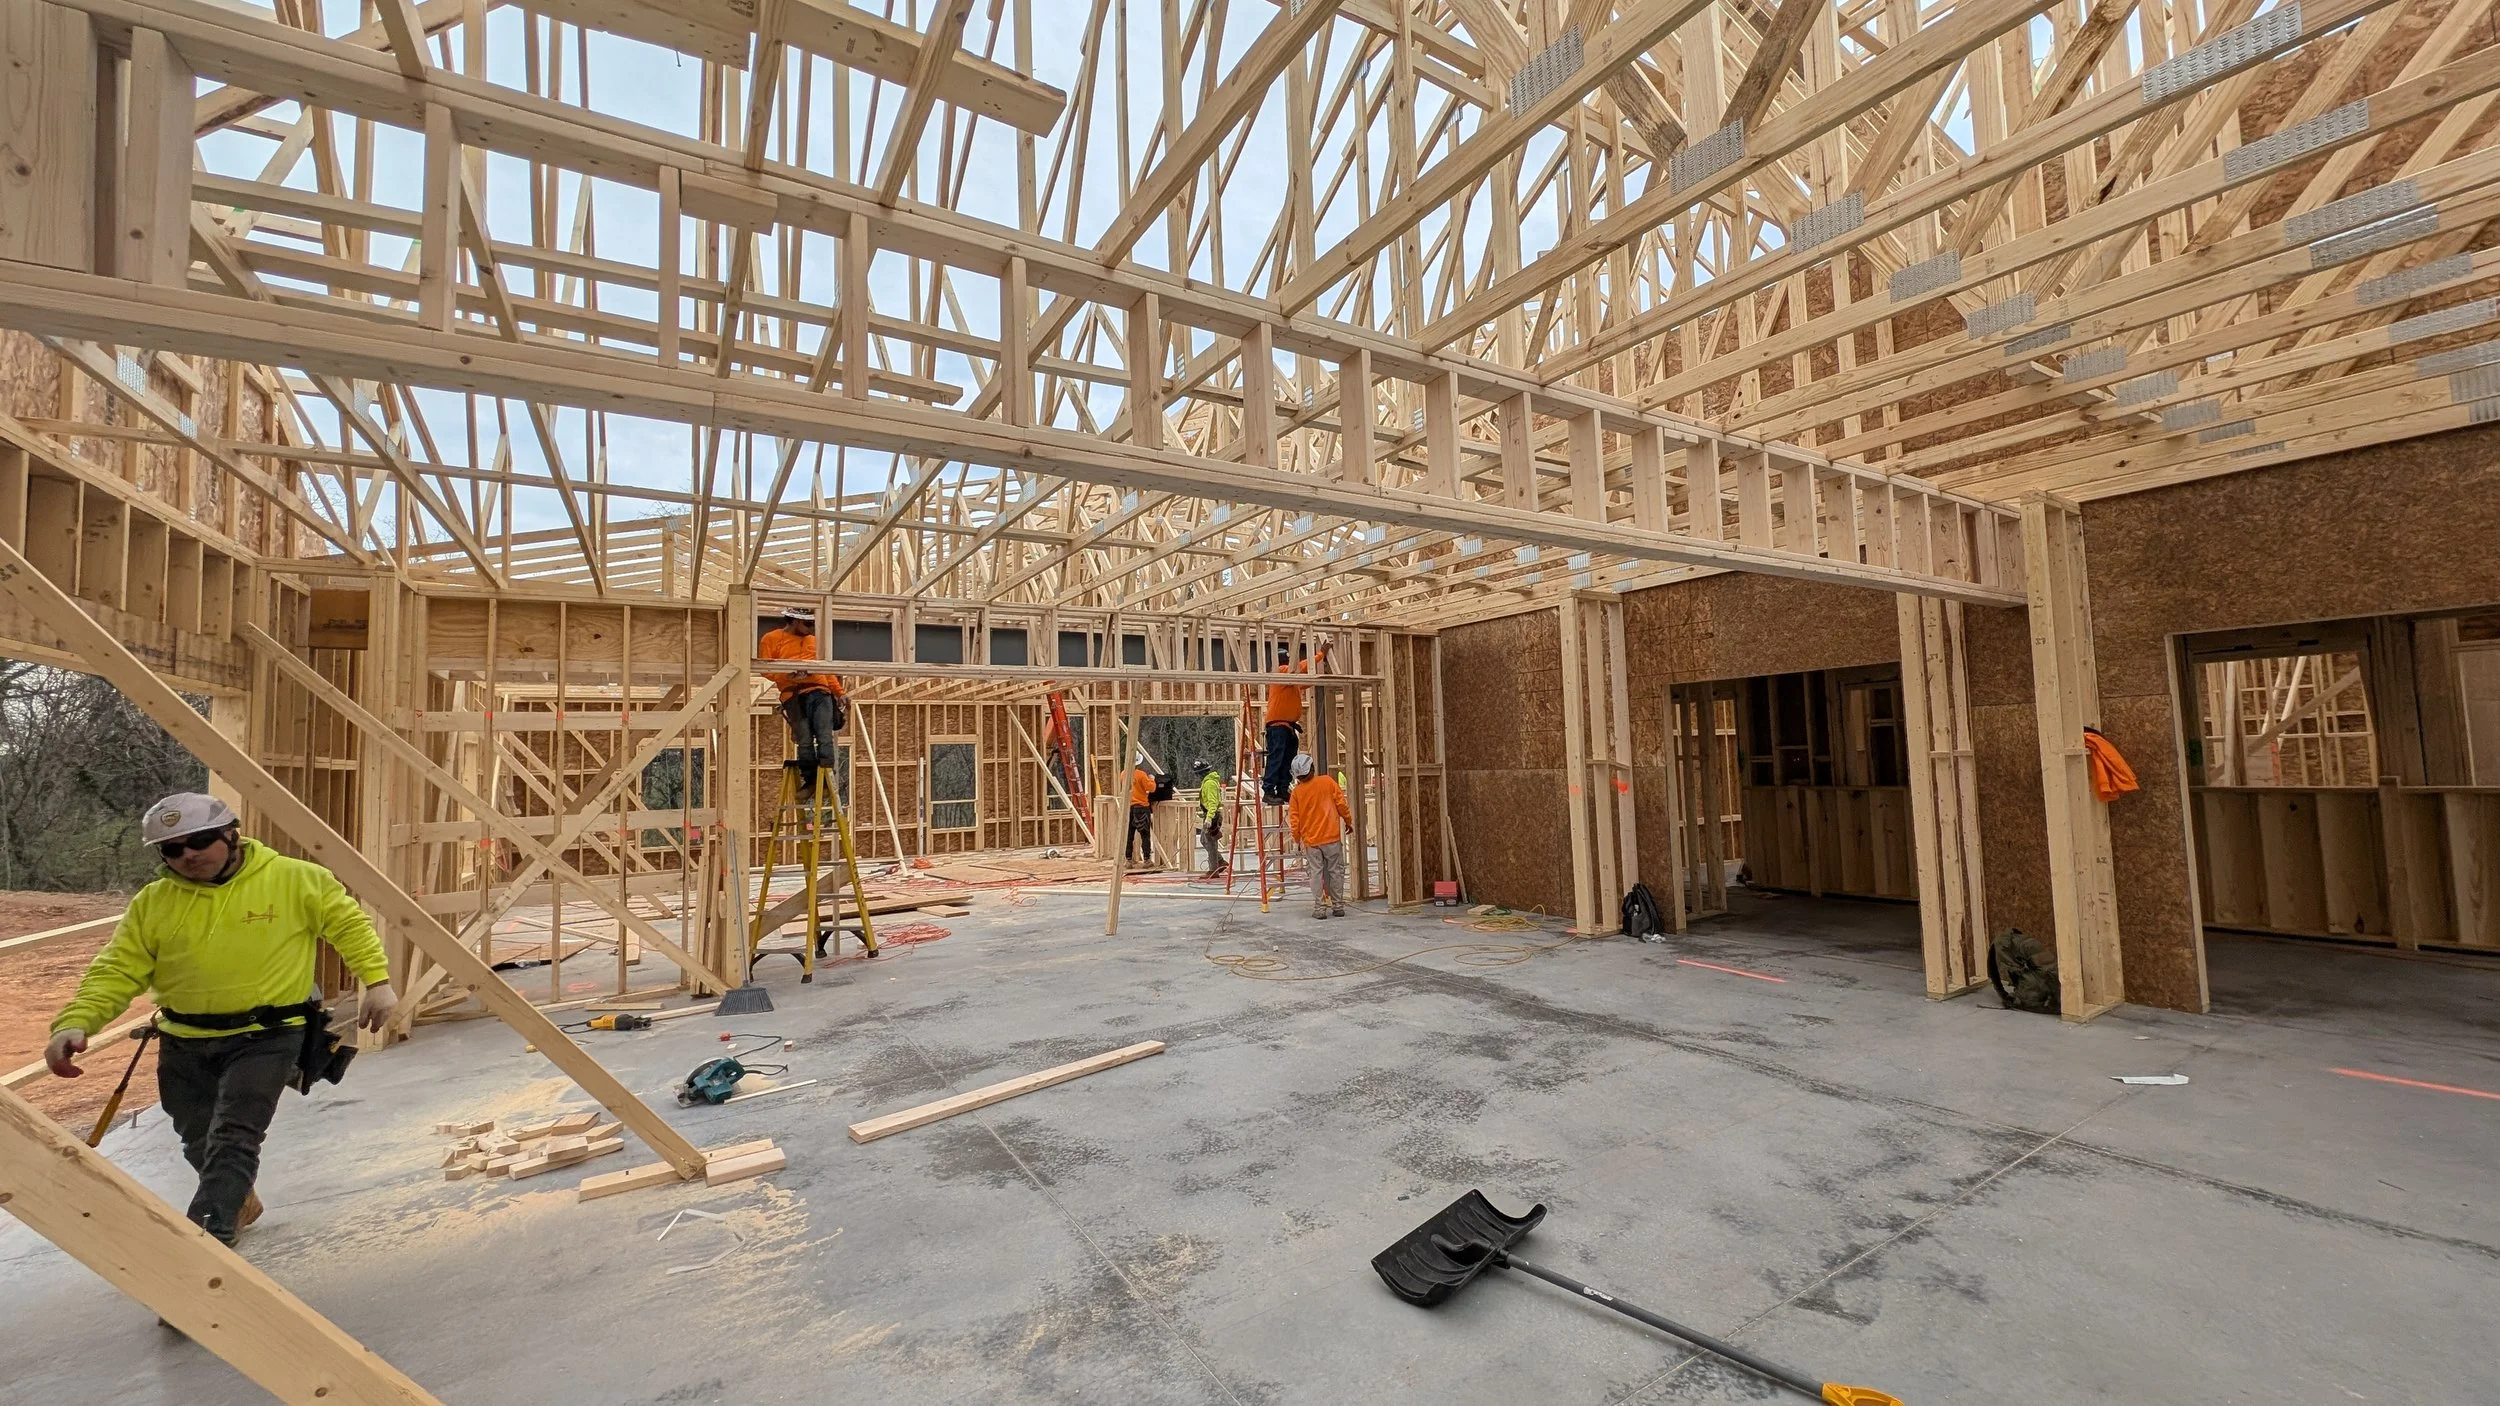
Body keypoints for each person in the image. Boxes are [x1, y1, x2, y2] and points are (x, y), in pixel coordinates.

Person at [42, 793, 397, 1248]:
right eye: (172, 849)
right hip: (184, 1038)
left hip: (268, 1034)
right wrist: (75, 1023)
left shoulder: (295, 879)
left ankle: (206, 1240)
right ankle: (237, 1200)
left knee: (234, 1134)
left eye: (201, 841)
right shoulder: (154, 903)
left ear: (232, 834)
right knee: (197, 1136)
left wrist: (377, 981)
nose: (188, 855)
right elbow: (117, 969)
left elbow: (349, 925)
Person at [758, 607, 846, 799]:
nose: (811, 628)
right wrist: (786, 674)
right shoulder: (771, 639)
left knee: (825, 736)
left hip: (820, 692)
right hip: (793, 696)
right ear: (795, 621)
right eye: (808, 624)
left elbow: (827, 672)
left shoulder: (815, 642)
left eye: (813, 624)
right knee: (804, 739)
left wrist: (839, 693)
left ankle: (826, 782)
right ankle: (811, 781)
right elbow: (764, 669)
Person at [1286, 753, 1352, 919]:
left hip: (1311, 842)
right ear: (1312, 768)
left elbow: (1295, 819)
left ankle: (1319, 909)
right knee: (1336, 871)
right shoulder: (1327, 782)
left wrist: (1296, 840)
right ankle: (1338, 906)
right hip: (1331, 837)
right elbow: (1341, 804)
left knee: (1316, 873)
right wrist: (1348, 821)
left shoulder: (1297, 793)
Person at [1262, 643, 1327, 804]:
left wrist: (1322, 676)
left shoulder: (1290, 681)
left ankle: (1282, 789)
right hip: (1278, 727)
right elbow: (1301, 667)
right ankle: (1269, 790)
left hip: (1287, 727)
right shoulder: (1281, 672)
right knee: (1277, 758)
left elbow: (1305, 681)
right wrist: (1321, 655)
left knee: (1287, 760)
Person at [1195, 759, 1228, 877]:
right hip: (1210, 814)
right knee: (1205, 839)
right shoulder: (1208, 782)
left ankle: (1213, 869)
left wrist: (1209, 818)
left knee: (1210, 841)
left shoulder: (1209, 783)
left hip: (1212, 815)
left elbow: (1213, 802)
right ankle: (1220, 861)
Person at [1126, 754, 1159, 869]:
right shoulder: (1141, 775)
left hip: (1129, 808)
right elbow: (1152, 788)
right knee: (1145, 834)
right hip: (1141, 808)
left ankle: (1128, 860)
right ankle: (1147, 859)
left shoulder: (1123, 774)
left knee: (1129, 835)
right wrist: (1152, 779)